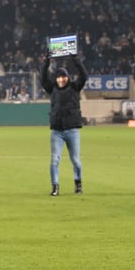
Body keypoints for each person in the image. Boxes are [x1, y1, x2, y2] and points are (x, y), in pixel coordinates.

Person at [40, 56, 87, 196]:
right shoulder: (52, 89)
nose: (61, 80)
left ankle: (78, 183)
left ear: (67, 77)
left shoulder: (75, 87)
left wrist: (76, 60)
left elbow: (84, 75)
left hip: (72, 130)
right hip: (57, 131)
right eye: (59, 77)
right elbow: (43, 79)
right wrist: (46, 63)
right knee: (55, 160)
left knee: (76, 160)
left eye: (63, 77)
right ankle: (55, 186)